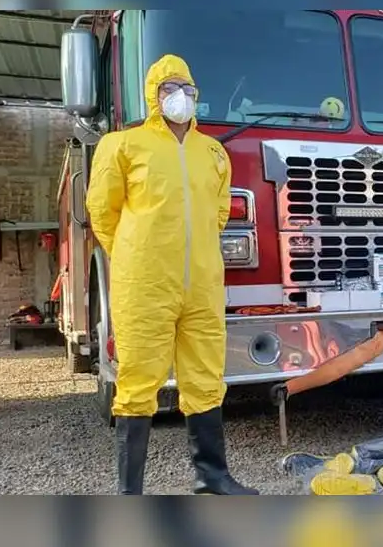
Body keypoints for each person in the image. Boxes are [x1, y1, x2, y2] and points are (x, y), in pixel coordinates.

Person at [86, 54, 258, 495]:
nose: (177, 96)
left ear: (196, 95)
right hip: (145, 285)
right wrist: (134, 255)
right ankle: (130, 492)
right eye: (167, 88)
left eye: (185, 87)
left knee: (205, 378)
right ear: (152, 95)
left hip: (201, 284)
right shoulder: (123, 146)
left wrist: (192, 251)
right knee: (138, 383)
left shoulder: (213, 153)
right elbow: (102, 213)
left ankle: (212, 476)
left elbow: (218, 213)